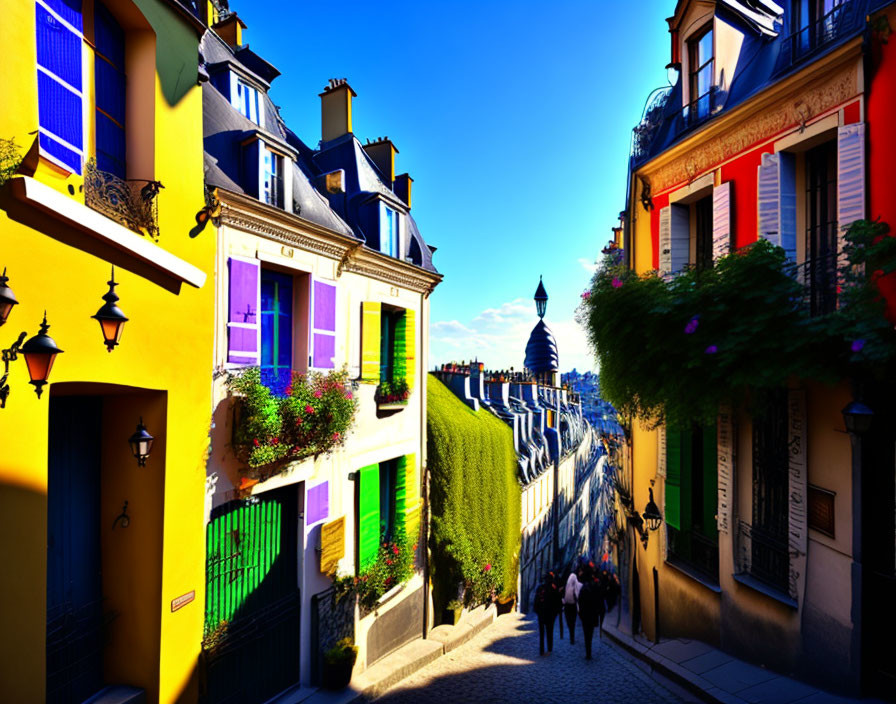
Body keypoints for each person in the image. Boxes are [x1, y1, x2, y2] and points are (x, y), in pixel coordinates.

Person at [577, 568, 606, 660]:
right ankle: (589, 651)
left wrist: (580, 613)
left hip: (585, 614)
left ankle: (588, 652)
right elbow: (599, 601)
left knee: (586, 634)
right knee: (590, 633)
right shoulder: (595, 587)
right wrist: (599, 613)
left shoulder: (583, 588)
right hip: (593, 614)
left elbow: (580, 602)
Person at [533, 572, 562, 656]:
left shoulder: (540, 588)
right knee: (550, 631)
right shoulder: (553, 588)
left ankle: (541, 650)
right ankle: (549, 648)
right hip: (550, 614)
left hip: (541, 613)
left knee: (542, 632)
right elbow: (557, 601)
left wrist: (537, 611)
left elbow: (536, 601)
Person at [562, 570, 581, 644]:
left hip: (569, 607)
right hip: (572, 607)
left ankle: (571, 637)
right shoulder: (570, 587)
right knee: (571, 622)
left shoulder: (568, 587)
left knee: (570, 622)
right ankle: (572, 636)